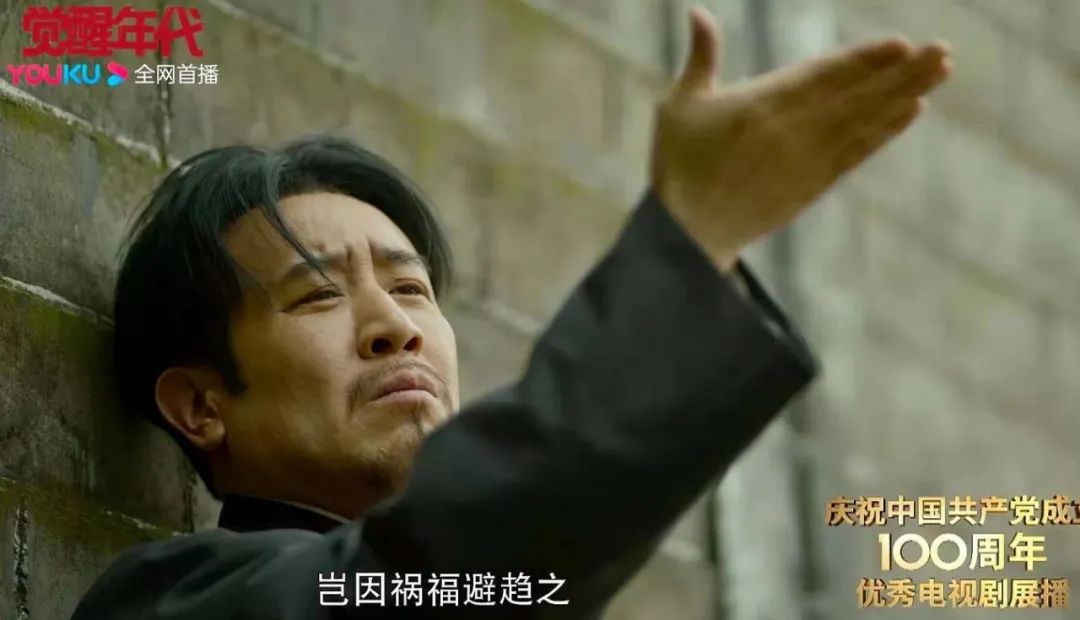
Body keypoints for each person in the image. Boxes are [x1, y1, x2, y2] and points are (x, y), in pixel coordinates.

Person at [71, 7, 951, 619]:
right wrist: (690, 240)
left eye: (411, 289)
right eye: (320, 294)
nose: (394, 327)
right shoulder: (178, 601)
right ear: (201, 405)